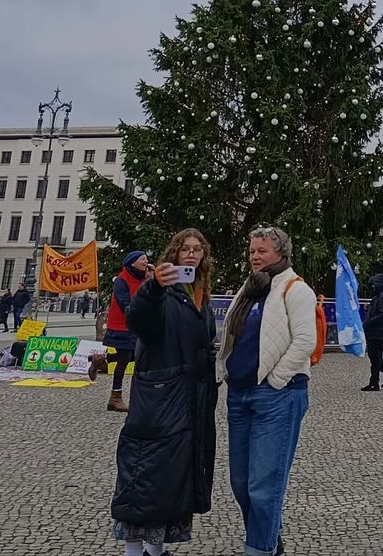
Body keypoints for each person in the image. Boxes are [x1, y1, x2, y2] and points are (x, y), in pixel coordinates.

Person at [112, 229, 218, 555]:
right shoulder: (160, 289)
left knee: (171, 479)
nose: (191, 254)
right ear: (174, 253)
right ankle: (134, 552)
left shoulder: (200, 293)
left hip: (188, 401)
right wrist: (155, 285)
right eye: (185, 249)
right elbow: (139, 321)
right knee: (145, 478)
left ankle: (156, 551)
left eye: (197, 249)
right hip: (159, 399)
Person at [217, 226, 316, 556]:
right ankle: (269, 540)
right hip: (240, 393)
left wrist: (275, 379)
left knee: (264, 486)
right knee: (241, 483)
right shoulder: (249, 288)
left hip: (278, 395)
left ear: (281, 253)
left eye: (261, 250)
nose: (254, 256)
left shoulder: (296, 289)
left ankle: (260, 549)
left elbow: (305, 340)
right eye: (251, 250)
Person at [89, 251, 150, 413]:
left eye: (146, 259)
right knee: (124, 359)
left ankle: (101, 359)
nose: (146, 261)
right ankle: (115, 398)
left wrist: (153, 278)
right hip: (121, 325)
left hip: (135, 325)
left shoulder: (144, 278)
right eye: (142, 259)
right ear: (132, 263)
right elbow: (125, 304)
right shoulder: (121, 280)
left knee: (134, 356)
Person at [362, 273, 383, 392]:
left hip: (378, 331)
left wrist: (370, 321)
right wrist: (370, 308)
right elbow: (380, 309)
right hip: (376, 330)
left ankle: (375, 382)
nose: (372, 286)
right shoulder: (381, 294)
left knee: (375, 357)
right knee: (375, 356)